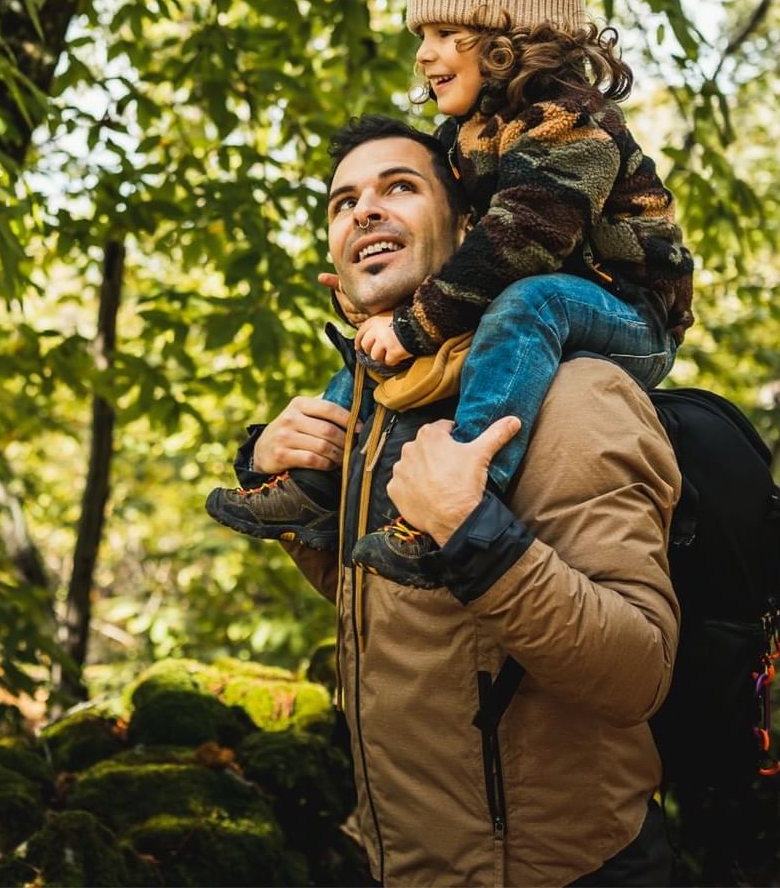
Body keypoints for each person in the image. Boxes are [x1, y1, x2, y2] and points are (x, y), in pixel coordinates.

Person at [226, 116, 682, 885]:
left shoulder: (576, 395)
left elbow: (639, 670)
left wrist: (475, 532)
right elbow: (392, 610)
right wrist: (284, 480)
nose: (364, 209)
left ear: (474, 228)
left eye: (398, 187)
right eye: (343, 202)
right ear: (333, 270)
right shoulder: (376, 410)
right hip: (409, 862)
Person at [207, 0, 694, 587]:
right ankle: (314, 478)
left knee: (529, 302)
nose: (424, 55)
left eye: (443, 34)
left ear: (507, 39)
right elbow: (442, 233)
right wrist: (380, 308)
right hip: (550, 293)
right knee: (444, 320)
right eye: (420, 37)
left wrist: (413, 324)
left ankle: (469, 484)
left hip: (628, 311)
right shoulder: (471, 133)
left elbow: (516, 242)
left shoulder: (570, 127)